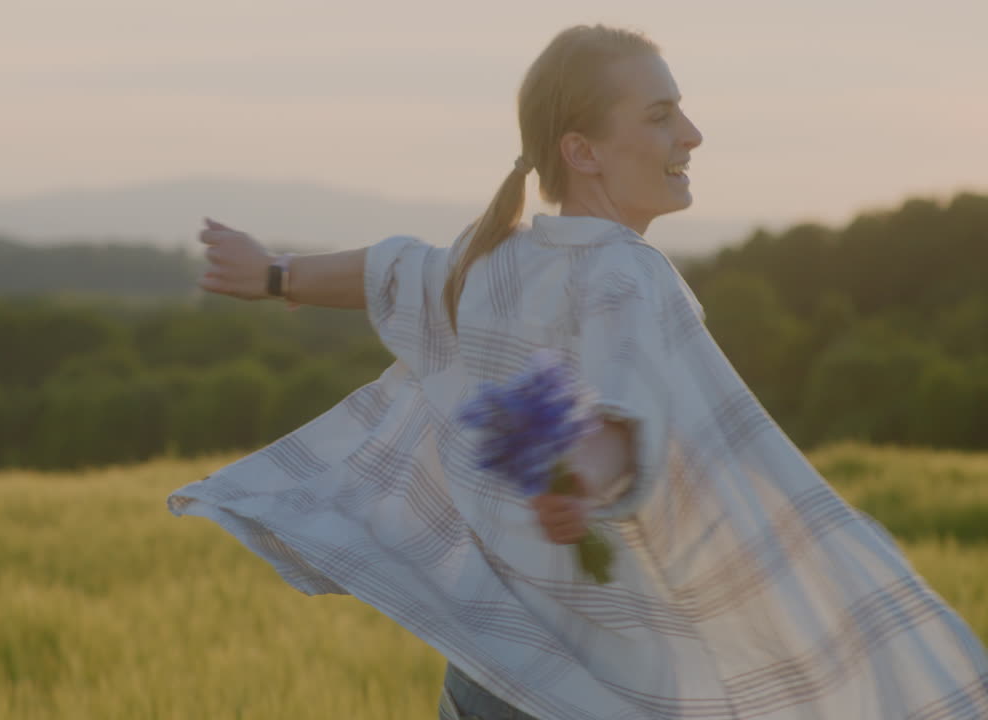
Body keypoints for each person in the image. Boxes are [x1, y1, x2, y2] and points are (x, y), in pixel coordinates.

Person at [168, 24, 988, 719]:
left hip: (487, 672)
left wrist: (272, 274)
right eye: (661, 116)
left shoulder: (495, 260)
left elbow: (392, 271)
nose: (692, 134)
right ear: (582, 152)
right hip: (596, 689)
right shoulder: (626, 273)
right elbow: (623, 408)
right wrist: (583, 480)